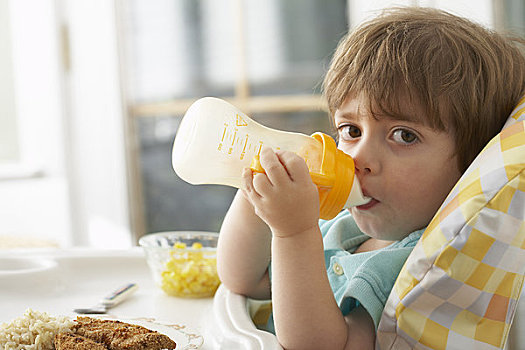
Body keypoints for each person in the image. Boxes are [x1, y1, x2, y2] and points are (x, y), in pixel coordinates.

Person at [217, 7, 525, 350]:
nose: (359, 158)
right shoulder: (343, 226)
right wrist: (255, 188)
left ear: (470, 163)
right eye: (351, 130)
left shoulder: (416, 266)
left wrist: (293, 232)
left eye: (404, 136)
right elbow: (244, 279)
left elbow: (323, 346)